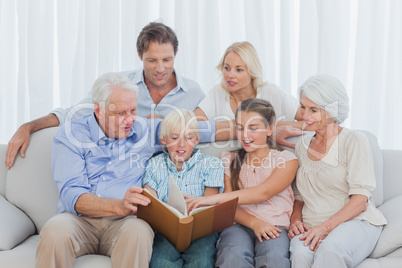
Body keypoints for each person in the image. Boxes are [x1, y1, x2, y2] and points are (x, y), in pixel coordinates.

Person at [35, 72, 229, 268]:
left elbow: (197, 129)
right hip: (80, 222)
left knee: (139, 230)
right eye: (120, 113)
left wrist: (251, 129)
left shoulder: (144, 129)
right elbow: (73, 195)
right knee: (55, 230)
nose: (130, 120)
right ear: (99, 110)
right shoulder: (72, 135)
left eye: (133, 111)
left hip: (124, 223)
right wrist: (119, 205)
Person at [5, 21, 205, 170]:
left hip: (168, 175)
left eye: (167, 59)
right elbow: (73, 114)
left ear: (176, 54)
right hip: (122, 173)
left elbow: (205, 131)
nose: (160, 68)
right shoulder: (119, 85)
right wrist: (28, 127)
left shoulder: (193, 92)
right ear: (139, 56)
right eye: (152, 60)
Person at [287, 75, 387, 268]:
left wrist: (324, 228)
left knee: (331, 250)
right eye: (302, 107)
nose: (305, 115)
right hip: (312, 223)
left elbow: (360, 199)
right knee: (299, 255)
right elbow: (298, 197)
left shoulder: (354, 140)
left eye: (314, 110)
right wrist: (295, 220)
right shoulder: (301, 146)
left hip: (354, 221)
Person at [186, 98, 299, 268]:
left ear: (270, 129)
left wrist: (209, 199)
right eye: (240, 128)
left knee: (273, 258)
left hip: (274, 225)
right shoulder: (228, 160)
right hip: (238, 224)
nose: (245, 135)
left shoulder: (286, 160)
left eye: (253, 128)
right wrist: (254, 223)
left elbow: (262, 193)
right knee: (232, 256)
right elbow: (230, 206)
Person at [142, 108, 224, 267]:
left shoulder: (211, 164)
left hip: (202, 231)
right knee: (160, 262)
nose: (181, 144)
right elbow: (150, 201)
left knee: (201, 261)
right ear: (163, 139)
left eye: (188, 138)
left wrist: (193, 207)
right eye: (174, 138)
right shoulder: (155, 164)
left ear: (197, 139)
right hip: (167, 231)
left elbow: (210, 202)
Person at [194, 41, 303, 148]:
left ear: (252, 73)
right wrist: (268, 127)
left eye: (239, 70)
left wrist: (273, 126)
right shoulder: (218, 92)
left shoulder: (271, 92)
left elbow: (311, 120)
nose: (230, 75)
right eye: (227, 68)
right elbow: (189, 125)